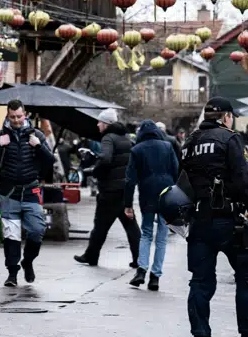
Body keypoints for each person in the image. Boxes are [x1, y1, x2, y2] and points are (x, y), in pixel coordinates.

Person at [181, 96, 248, 337]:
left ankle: (201, 336)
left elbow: (181, 183)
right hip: (229, 222)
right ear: (226, 117)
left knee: (200, 281)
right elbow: (245, 180)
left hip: (199, 222)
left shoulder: (189, 142)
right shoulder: (229, 139)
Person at [0, 100, 54, 288]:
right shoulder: (0, 136)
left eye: (19, 116)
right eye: (12, 117)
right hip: (9, 192)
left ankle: (28, 261)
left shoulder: (36, 135)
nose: (16, 120)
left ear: (25, 114)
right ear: (7, 116)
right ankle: (12, 273)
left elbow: (50, 161)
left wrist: (38, 146)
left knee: (37, 231)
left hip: (31, 191)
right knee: (11, 235)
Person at [75, 109, 141, 268]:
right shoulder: (126, 138)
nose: (97, 124)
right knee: (131, 226)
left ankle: (91, 256)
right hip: (125, 190)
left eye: (100, 122)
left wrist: (95, 171)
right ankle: (139, 258)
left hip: (110, 190)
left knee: (100, 225)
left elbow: (105, 159)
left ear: (106, 124)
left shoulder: (108, 138)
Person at [124, 119, 179, 290]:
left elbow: (130, 179)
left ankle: (141, 270)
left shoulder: (137, 149)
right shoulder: (167, 147)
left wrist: (128, 204)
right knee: (162, 236)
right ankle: (155, 276)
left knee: (146, 232)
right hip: (167, 194)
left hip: (147, 193)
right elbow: (176, 170)